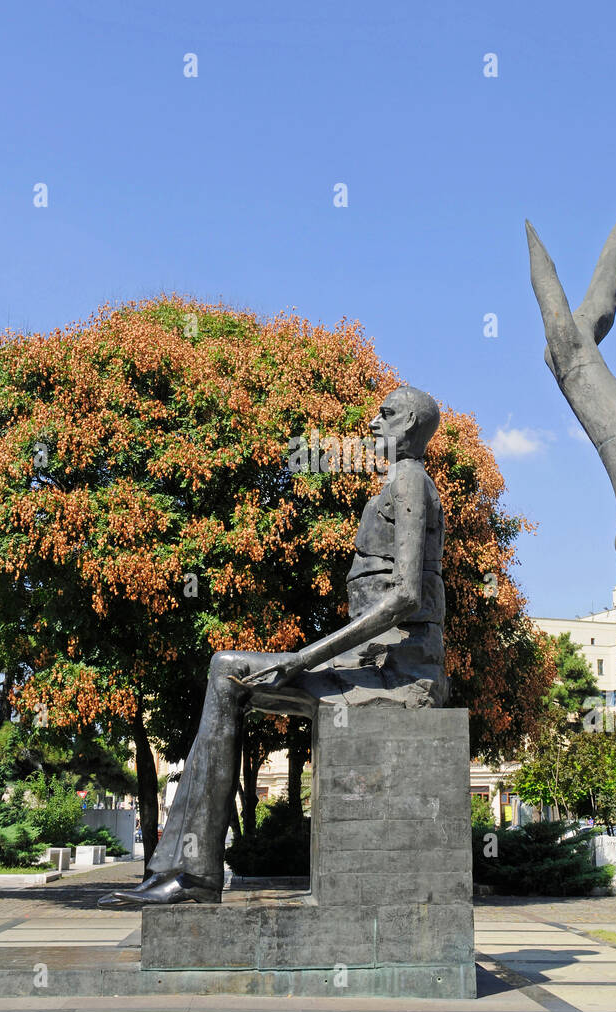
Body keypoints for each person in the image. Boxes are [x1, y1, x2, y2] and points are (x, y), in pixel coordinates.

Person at [99, 385, 447, 907]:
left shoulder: (411, 482)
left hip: (398, 672)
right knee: (227, 674)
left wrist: (303, 658)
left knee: (227, 671)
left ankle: (190, 875)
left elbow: (405, 595)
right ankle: (184, 871)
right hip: (371, 663)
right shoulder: (397, 483)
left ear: (414, 426)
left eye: (388, 414)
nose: (373, 422)